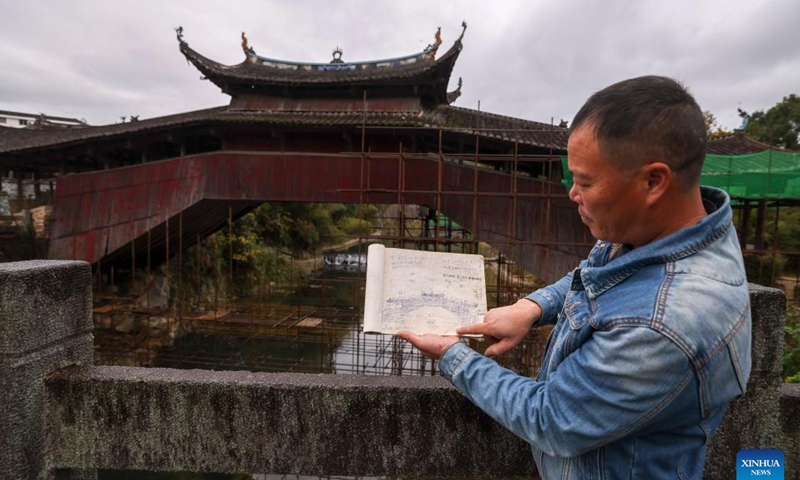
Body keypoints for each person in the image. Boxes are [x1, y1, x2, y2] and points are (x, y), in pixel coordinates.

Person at [397, 75, 752, 480]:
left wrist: (452, 354)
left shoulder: (664, 324)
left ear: (653, 181)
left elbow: (551, 420)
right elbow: (592, 276)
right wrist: (532, 307)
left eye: (585, 182)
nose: (571, 194)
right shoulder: (662, 232)